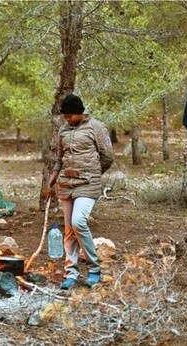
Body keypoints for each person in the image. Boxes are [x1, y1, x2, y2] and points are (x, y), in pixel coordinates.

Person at [45, 94, 114, 290]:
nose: (66, 119)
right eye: (64, 116)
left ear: (80, 112)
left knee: (78, 222)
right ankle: (71, 272)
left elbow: (108, 156)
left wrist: (93, 172)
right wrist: (50, 183)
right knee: (68, 230)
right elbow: (59, 159)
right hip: (66, 183)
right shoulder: (63, 130)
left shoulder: (97, 127)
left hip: (88, 183)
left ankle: (94, 269)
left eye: (69, 115)